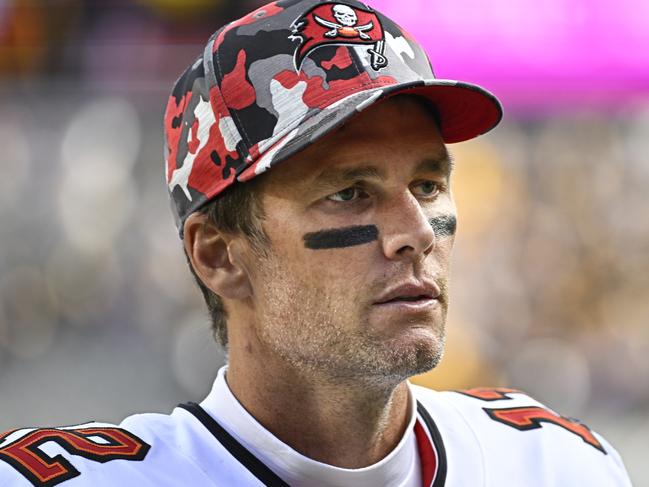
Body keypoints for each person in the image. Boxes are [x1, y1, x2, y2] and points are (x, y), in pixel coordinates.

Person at [0, 1, 632, 486]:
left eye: (428, 183)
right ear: (219, 255)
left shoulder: (556, 465)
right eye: (350, 193)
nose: (414, 232)